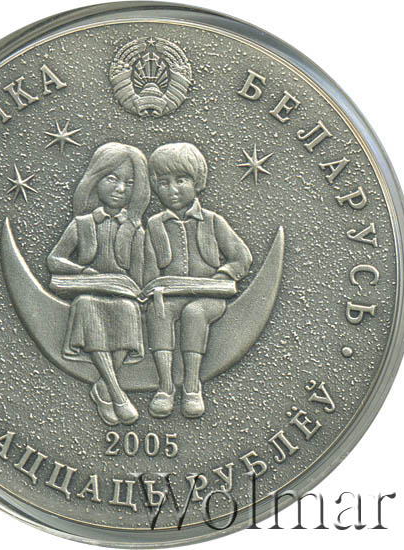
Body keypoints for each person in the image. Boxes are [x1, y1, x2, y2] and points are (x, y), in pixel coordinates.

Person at [145, 142, 252, 418]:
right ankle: (165, 386)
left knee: (194, 313)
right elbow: (148, 266)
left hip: (209, 298)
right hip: (170, 296)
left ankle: (192, 386)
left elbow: (241, 258)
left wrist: (222, 276)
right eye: (164, 183)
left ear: (198, 182)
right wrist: (152, 285)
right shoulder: (154, 225)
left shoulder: (213, 221)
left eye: (181, 180)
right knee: (158, 312)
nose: (172, 189)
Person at [47, 143, 149, 426]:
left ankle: (104, 388)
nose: (120, 189)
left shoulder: (135, 229)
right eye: (112, 179)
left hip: (122, 295)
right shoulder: (82, 224)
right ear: (95, 180)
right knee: (87, 305)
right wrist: (82, 271)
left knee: (127, 308)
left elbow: (139, 273)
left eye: (129, 183)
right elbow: (55, 259)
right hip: (89, 292)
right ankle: (115, 393)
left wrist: (137, 288)